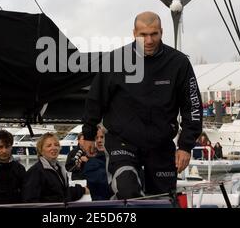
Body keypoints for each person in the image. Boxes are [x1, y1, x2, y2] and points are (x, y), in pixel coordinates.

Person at [82, 11, 202, 200]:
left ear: (162, 32)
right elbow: (95, 99)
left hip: (160, 145)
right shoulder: (115, 60)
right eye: (143, 35)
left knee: (163, 201)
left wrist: (186, 146)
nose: (149, 40)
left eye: (154, 34)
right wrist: (88, 134)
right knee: (128, 191)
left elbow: (192, 107)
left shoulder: (178, 63)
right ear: (134, 33)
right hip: (123, 142)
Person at [22, 132, 88, 203]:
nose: (53, 148)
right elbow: (30, 201)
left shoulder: (58, 169)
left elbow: (64, 192)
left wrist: (83, 190)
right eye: (49, 146)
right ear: (41, 150)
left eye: (56, 145)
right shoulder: (35, 172)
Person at [83, 125, 111, 200]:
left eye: (102, 137)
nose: (99, 140)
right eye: (96, 138)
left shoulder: (117, 158)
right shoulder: (91, 162)